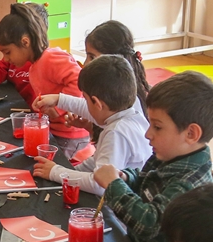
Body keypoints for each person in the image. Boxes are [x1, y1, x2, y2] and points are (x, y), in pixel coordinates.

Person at [93, 71, 213, 242]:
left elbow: (149, 223)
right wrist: (126, 177)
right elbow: (145, 179)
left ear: (191, 133)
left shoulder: (189, 185)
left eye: (158, 127)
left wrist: (114, 185)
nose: (148, 134)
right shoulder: (168, 154)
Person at [31, 54, 149, 195]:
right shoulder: (129, 107)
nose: (85, 105)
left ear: (97, 103)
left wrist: (55, 172)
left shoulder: (116, 133)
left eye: (86, 100)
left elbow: (100, 185)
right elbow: (97, 163)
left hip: (118, 208)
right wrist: (59, 99)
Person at [0, 2, 90, 158]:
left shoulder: (50, 59)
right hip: (53, 130)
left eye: (8, 52)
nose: (6, 59)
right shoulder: (35, 64)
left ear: (25, 42)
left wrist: (57, 108)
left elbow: (80, 81)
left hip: (69, 136)